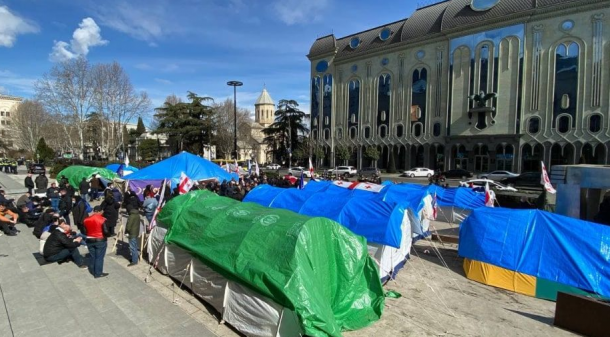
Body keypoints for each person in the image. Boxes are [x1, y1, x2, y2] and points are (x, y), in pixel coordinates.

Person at [83, 206, 109, 278]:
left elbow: (84, 231)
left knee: (93, 256)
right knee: (99, 257)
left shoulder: (86, 220)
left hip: (89, 239)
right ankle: (98, 273)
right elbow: (106, 231)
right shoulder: (102, 219)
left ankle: (93, 270)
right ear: (99, 211)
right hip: (100, 240)